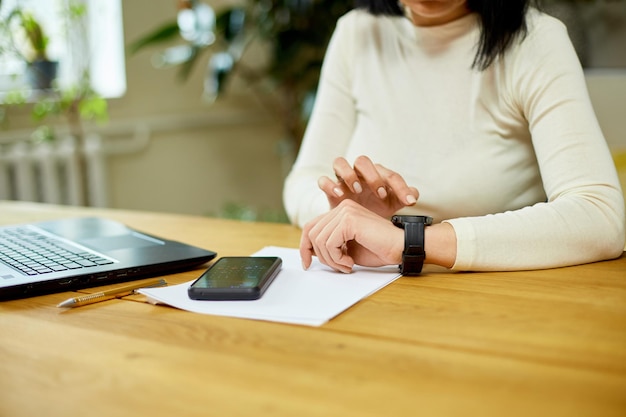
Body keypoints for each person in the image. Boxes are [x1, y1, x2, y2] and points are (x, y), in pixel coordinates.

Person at [282, 0, 625, 274]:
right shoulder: (357, 32)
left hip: (498, 300)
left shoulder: (536, 40)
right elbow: (302, 180)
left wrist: (410, 242)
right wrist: (345, 211)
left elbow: (599, 217)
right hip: (374, 292)